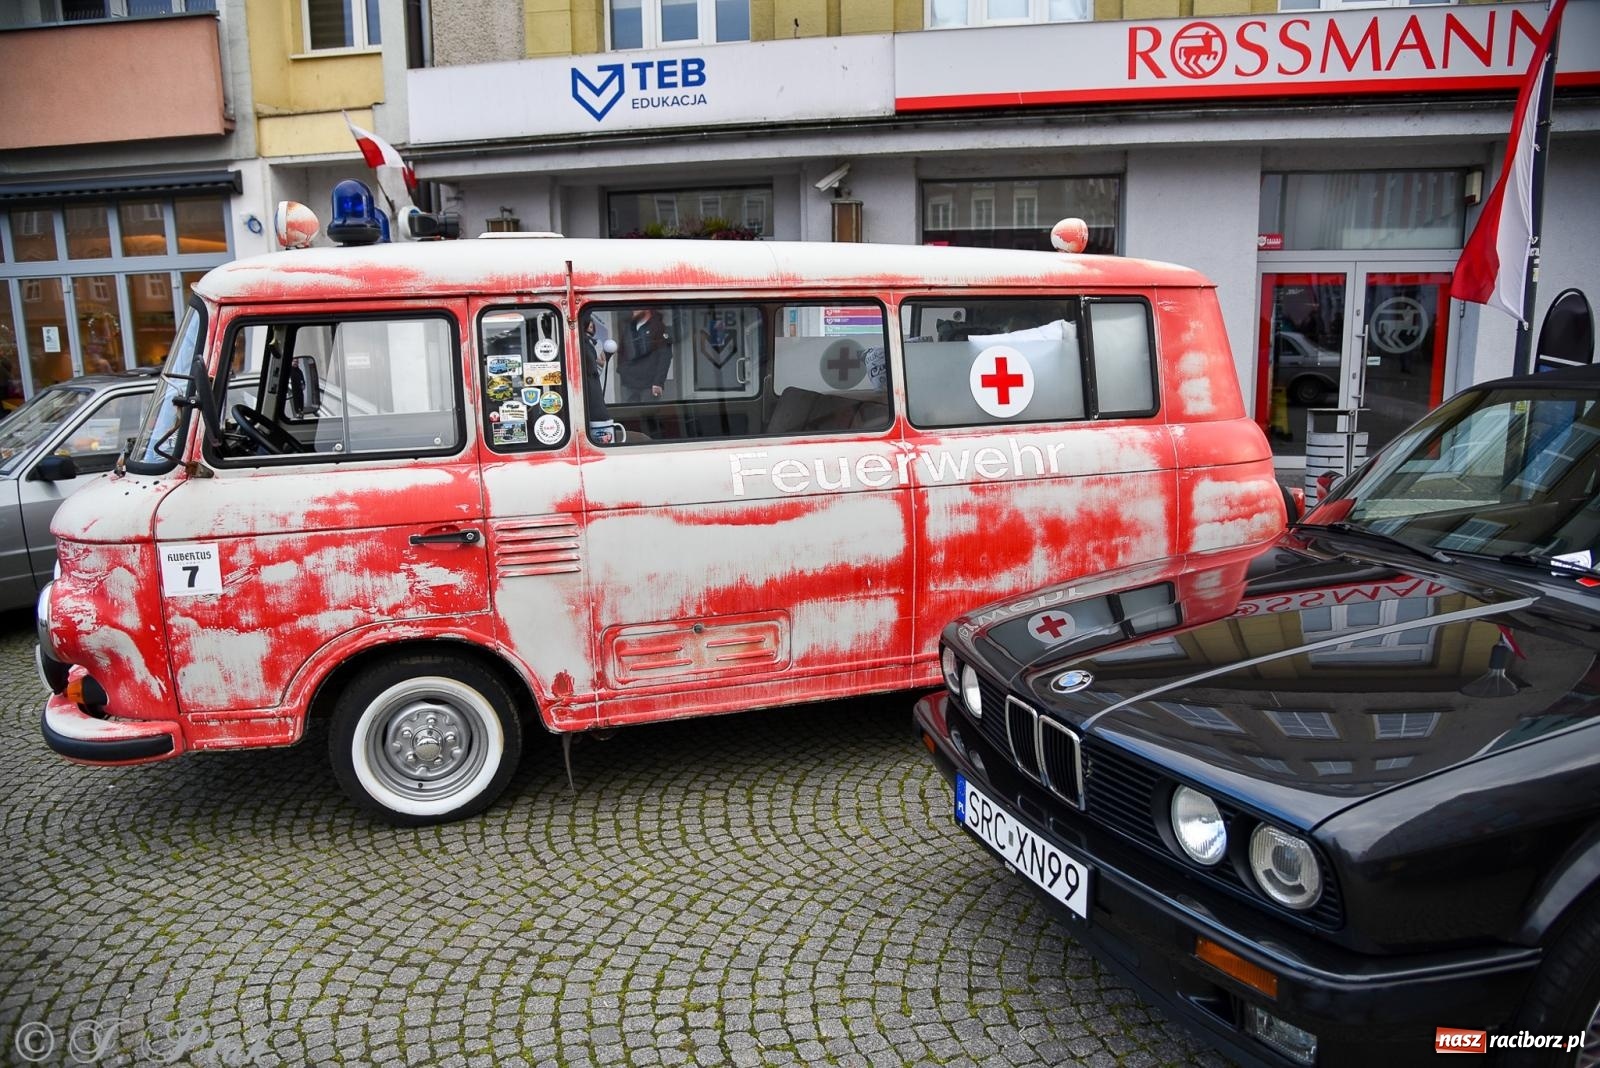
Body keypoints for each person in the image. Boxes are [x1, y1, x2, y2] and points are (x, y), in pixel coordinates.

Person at [618, 309, 672, 403]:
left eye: (637, 308)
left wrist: (658, 382)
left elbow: (665, 356)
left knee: (648, 415)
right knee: (629, 415)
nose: (633, 310)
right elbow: (622, 351)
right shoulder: (629, 327)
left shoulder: (658, 327)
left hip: (648, 385)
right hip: (629, 383)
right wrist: (622, 371)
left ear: (647, 309)